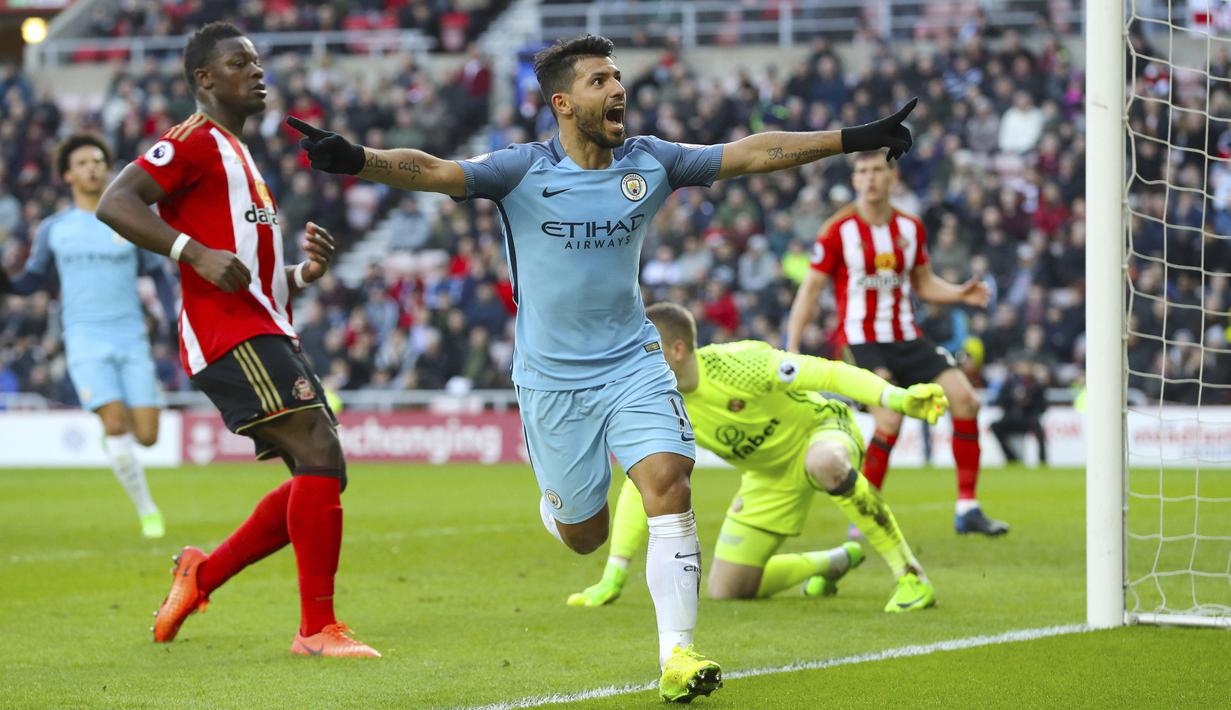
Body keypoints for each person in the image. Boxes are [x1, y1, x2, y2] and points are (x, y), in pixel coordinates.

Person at [289, 34, 915, 700]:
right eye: (598, 81)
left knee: (669, 480)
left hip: (633, 361)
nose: (617, 88)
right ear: (562, 103)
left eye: (617, 76)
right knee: (584, 536)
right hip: (552, 382)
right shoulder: (520, 170)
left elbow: (752, 152)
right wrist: (358, 160)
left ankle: (677, 656)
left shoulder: (651, 160)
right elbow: (433, 170)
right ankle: (557, 504)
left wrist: (853, 139)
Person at [96, 22, 378, 658]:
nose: (256, 72)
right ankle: (316, 629)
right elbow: (116, 202)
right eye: (239, 63)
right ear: (204, 79)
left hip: (264, 323)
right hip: (227, 331)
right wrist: (191, 252)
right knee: (318, 448)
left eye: (256, 61)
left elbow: (249, 270)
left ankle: (202, 575)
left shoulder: (239, 154)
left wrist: (303, 275)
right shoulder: (192, 141)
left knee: (322, 471)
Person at [568, 302, 944, 613]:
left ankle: (911, 576)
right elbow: (644, 487)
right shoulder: (662, 405)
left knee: (824, 463)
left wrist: (895, 398)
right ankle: (834, 561)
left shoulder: (738, 364)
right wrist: (614, 573)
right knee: (728, 588)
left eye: (647, 351)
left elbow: (827, 374)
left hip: (821, 431)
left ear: (678, 350)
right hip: (768, 475)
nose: (637, 363)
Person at [786, 150, 1009, 536]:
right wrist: (791, 347)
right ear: (854, 180)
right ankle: (865, 511)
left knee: (966, 400)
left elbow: (924, 283)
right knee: (889, 418)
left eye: (877, 170)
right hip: (862, 342)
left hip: (908, 336)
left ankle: (968, 508)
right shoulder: (837, 230)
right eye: (863, 171)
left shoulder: (910, 227)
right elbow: (811, 289)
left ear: (893, 178)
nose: (870, 178)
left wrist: (959, 293)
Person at [0, 134, 171, 539]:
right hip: (83, 338)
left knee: (148, 436)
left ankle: (118, 441)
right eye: (82, 163)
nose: (92, 167)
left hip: (131, 337)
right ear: (67, 176)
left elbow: (158, 273)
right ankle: (147, 511)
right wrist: (5, 279)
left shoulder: (130, 218)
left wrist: (171, 317)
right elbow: (30, 282)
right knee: (115, 422)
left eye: (98, 160)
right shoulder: (54, 229)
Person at [991, 358, 1050, 465]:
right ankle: (1011, 457)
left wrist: (1029, 401)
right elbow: (999, 400)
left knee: (1038, 428)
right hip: (1011, 417)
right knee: (995, 426)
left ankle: (1042, 460)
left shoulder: (1037, 385)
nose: (1024, 369)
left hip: (1028, 418)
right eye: (1021, 366)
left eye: (1027, 366)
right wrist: (1013, 397)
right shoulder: (1010, 383)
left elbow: (1043, 406)